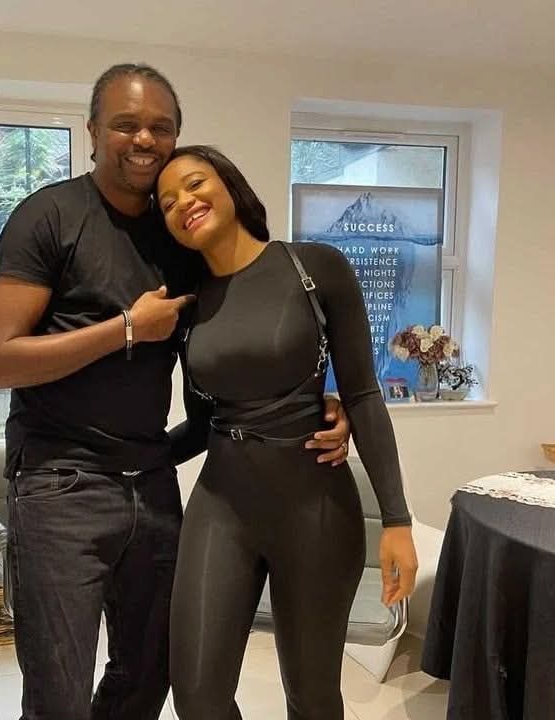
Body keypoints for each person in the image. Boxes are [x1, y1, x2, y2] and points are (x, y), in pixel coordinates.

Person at [0, 64, 351, 720]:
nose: (144, 138)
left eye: (161, 126)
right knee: (60, 695)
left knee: (150, 678)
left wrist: (322, 398)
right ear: (93, 131)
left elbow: (255, 323)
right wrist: (126, 328)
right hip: (61, 485)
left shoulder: (178, 237)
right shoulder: (49, 215)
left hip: (152, 482)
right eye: (126, 124)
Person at [157, 145, 419, 720]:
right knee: (197, 697)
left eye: (195, 184)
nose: (184, 203)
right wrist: (130, 457)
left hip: (315, 509)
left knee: (313, 698)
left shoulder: (314, 268)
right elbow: (202, 424)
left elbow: (362, 395)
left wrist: (397, 520)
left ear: (230, 184)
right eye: (168, 202)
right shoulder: (189, 305)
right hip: (221, 506)